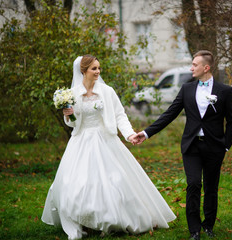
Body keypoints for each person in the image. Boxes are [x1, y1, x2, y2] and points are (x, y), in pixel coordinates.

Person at [41, 55, 176, 240]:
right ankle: (84, 222)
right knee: (76, 183)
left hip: (106, 140)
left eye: (99, 68)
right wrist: (68, 115)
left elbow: (120, 115)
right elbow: (73, 124)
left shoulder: (107, 91)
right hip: (81, 141)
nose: (98, 72)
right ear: (83, 71)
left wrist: (129, 134)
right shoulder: (72, 94)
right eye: (94, 69)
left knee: (113, 181)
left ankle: (109, 220)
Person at [133, 50, 232, 239]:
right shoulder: (187, 89)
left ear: (206, 67)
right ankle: (194, 230)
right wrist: (147, 133)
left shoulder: (225, 91)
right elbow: (169, 114)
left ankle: (208, 226)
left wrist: (226, 145)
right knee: (194, 184)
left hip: (215, 147)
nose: (191, 68)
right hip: (192, 147)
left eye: (194, 65)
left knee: (212, 188)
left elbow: (231, 121)